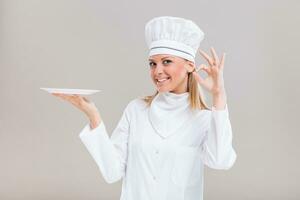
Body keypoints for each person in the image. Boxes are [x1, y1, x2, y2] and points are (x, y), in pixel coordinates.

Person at [52, 16, 237, 200]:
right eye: (152, 63)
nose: (157, 71)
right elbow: (112, 172)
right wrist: (93, 116)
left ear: (190, 65)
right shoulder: (136, 110)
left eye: (166, 61)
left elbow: (220, 161)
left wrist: (219, 96)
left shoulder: (203, 118)